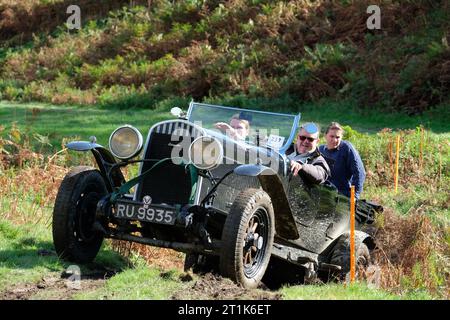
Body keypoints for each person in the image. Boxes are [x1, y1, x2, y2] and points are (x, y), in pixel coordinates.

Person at [318, 122, 366, 199]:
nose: (334, 140)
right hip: (324, 193)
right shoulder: (320, 150)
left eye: (337, 137)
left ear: (341, 137)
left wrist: (355, 195)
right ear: (325, 136)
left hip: (343, 194)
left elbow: (359, 172)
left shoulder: (346, 148)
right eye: (331, 136)